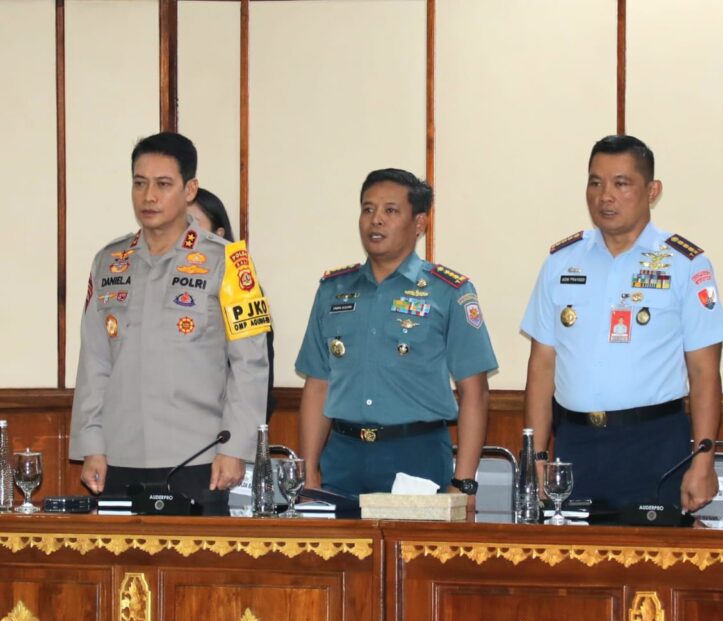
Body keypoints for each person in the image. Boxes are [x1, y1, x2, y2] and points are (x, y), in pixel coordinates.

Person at [521, 135, 723, 512]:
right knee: (571, 551)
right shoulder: (561, 262)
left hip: (655, 445)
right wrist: (535, 457)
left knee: (653, 552)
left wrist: (704, 461)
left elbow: (704, 372)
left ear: (652, 190)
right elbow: (542, 366)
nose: (605, 196)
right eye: (595, 182)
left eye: (621, 184)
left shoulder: (685, 264)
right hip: (574, 444)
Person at [70, 132, 272, 514]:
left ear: (189, 189)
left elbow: (250, 363)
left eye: (163, 184)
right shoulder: (109, 261)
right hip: (119, 455)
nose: (149, 196)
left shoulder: (230, 262)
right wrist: (92, 445)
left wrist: (235, 449)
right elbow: (95, 361)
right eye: (140, 183)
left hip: (198, 459)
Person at [295, 169, 497, 499]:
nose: (375, 220)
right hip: (343, 455)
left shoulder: (449, 291)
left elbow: (475, 392)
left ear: (419, 223)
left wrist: (463, 483)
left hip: (417, 454)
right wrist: (309, 472)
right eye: (368, 209)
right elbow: (318, 384)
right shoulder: (333, 290)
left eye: (390, 210)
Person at [189, 186, 276, 422]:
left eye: (193, 223)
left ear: (218, 233)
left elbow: (255, 375)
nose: (185, 234)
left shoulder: (241, 289)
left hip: (222, 428)